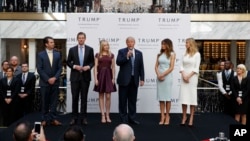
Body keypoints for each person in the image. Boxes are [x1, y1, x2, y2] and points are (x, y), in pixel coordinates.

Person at [67, 32, 94, 125]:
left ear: (85, 39)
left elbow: (92, 62)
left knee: (84, 98)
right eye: (79, 38)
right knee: (74, 98)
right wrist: (74, 66)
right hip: (75, 77)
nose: (81, 39)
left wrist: (88, 67)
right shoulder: (72, 49)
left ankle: (83, 118)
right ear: (77, 39)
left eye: (83, 38)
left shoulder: (90, 49)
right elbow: (68, 62)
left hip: (85, 77)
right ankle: (74, 118)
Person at [116, 36, 145, 125]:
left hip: (134, 80)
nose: (130, 43)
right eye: (128, 42)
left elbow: (141, 67)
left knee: (132, 101)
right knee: (123, 101)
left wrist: (142, 78)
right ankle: (123, 119)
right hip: (124, 80)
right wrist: (127, 56)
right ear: (126, 43)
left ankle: (132, 118)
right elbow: (118, 62)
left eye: (132, 42)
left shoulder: (139, 53)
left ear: (134, 42)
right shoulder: (122, 51)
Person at [36, 36, 62, 126]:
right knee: (45, 101)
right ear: (46, 44)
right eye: (51, 42)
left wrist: (54, 78)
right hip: (44, 82)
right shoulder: (40, 54)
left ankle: (53, 119)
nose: (53, 43)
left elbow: (60, 68)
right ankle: (44, 119)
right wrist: (48, 79)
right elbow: (39, 69)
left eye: (53, 42)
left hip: (55, 82)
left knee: (54, 101)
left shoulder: (58, 54)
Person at [179, 38, 201, 127]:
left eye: (187, 43)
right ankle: (184, 117)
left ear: (191, 44)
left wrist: (188, 76)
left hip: (192, 78)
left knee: (192, 98)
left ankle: (191, 117)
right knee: (184, 97)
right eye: (185, 43)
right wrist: (184, 75)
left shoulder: (197, 54)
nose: (185, 44)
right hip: (184, 77)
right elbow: (181, 66)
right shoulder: (184, 54)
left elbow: (196, 67)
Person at [93, 40, 116, 123]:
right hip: (101, 76)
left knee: (108, 96)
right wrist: (95, 78)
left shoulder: (111, 55)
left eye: (107, 45)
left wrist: (113, 78)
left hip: (109, 76)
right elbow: (95, 67)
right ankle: (103, 115)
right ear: (102, 46)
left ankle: (108, 115)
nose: (106, 46)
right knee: (101, 95)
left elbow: (113, 67)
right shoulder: (97, 55)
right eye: (105, 45)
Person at [155, 38, 176, 125]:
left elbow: (171, 67)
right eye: (161, 44)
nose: (162, 46)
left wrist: (162, 74)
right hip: (159, 77)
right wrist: (158, 74)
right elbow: (156, 66)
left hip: (167, 78)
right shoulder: (159, 54)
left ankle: (167, 116)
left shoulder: (172, 54)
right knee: (161, 98)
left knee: (167, 98)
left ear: (168, 45)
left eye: (164, 44)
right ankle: (162, 116)